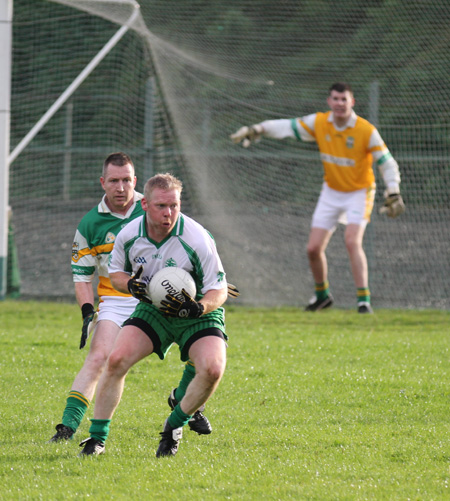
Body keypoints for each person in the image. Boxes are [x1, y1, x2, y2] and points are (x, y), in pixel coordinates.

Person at [48, 153, 212, 444]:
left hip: (166, 297)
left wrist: (214, 282)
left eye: (126, 180)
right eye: (114, 180)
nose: (121, 187)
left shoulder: (154, 204)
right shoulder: (89, 224)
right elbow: (82, 276)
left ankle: (186, 402)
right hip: (118, 297)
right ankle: (67, 427)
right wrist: (88, 312)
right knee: (100, 356)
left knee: (200, 352)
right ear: (103, 183)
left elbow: (197, 242)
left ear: (135, 181)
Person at [78, 172, 229, 458]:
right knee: (116, 359)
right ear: (145, 204)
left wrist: (199, 307)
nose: (169, 213)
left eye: (174, 205)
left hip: (196, 312)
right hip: (152, 309)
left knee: (212, 369)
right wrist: (131, 285)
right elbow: (117, 274)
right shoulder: (129, 234)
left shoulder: (197, 238)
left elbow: (219, 291)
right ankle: (96, 439)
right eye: (162, 206)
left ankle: (173, 427)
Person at [230, 82, 405, 314]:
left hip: (359, 193)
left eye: (344, 99)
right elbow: (287, 126)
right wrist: (258, 129)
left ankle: (364, 302)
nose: (339, 103)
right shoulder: (320, 123)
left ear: (352, 102)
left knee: (352, 241)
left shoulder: (366, 130)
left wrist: (393, 191)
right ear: (329, 102)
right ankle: (322, 296)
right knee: (313, 249)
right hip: (331, 191)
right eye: (335, 99)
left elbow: (386, 161)